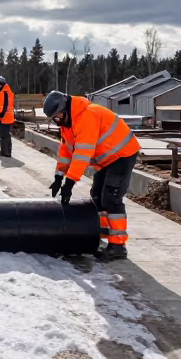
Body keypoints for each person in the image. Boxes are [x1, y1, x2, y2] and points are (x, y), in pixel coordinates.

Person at [43, 90, 141, 262]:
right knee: (96, 195)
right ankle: (103, 236)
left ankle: (118, 246)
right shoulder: (68, 123)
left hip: (122, 154)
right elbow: (66, 150)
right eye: (54, 118)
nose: (57, 120)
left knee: (111, 198)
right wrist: (59, 176)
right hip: (107, 158)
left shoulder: (87, 116)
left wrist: (70, 182)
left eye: (58, 116)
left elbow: (82, 154)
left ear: (65, 108)